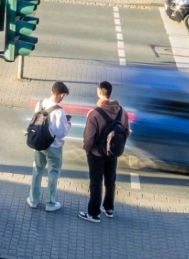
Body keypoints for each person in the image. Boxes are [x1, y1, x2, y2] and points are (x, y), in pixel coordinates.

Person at [80, 81, 129, 223]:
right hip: (113, 152)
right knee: (110, 180)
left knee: (96, 182)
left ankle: (93, 213)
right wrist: (117, 146)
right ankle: (109, 208)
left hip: (96, 154)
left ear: (99, 91)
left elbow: (89, 137)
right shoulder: (121, 111)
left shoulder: (94, 113)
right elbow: (126, 130)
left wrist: (87, 149)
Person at [28, 82, 71, 212]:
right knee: (53, 173)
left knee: (37, 170)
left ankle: (33, 200)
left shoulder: (40, 104)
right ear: (62, 94)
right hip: (54, 147)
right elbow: (61, 132)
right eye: (64, 95)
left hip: (39, 144)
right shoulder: (59, 111)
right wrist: (68, 124)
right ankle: (50, 203)